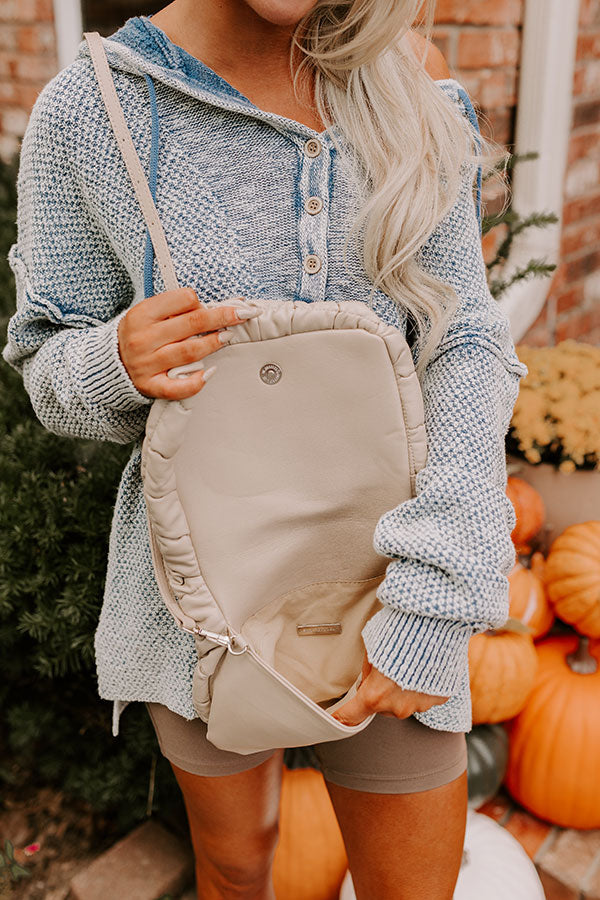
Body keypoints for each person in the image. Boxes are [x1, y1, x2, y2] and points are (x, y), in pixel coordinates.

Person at [3, 1, 529, 897]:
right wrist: (114, 361)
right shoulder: (93, 110)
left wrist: (436, 596)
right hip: (198, 604)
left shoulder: (405, 88)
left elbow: (465, 339)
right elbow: (45, 360)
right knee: (236, 868)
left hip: (394, 584)